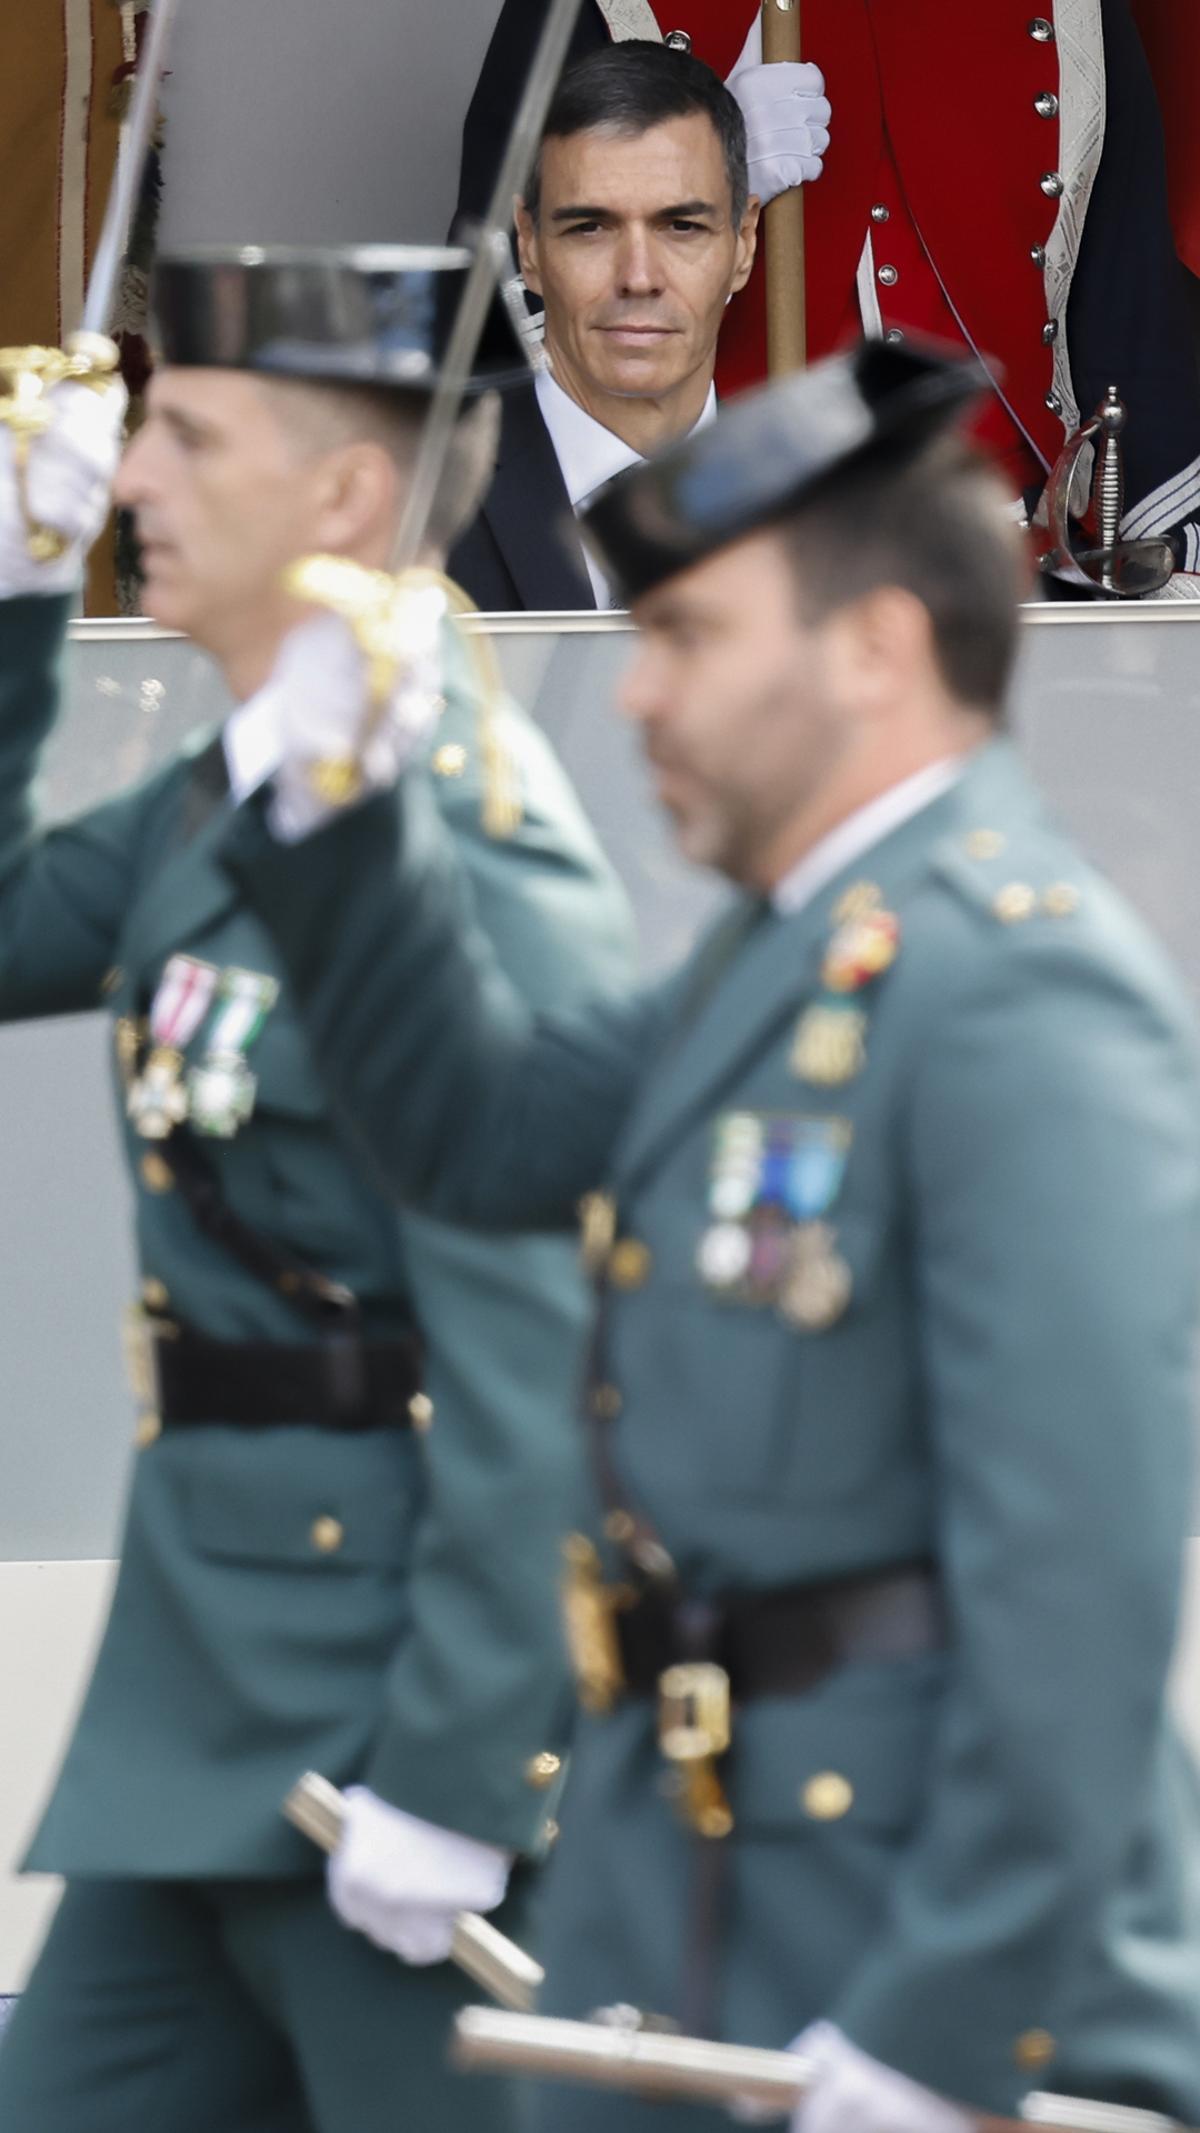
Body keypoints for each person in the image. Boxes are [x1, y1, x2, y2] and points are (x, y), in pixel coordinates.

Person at [224, 339, 1200, 2131]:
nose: (641, 694)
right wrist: (343, 810)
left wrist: (947, 2023)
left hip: (898, 1951)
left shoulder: (1015, 988)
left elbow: (1082, 1579)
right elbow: (477, 1134)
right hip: (679, 1895)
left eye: (688, 637)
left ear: (876, 647)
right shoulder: (783, 949)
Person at [0, 245, 635, 2133]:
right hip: (207, 1711)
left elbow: (540, 1358)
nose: (133, 476)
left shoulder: (466, 847)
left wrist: (462, 1771)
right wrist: (18, 603)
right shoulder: (241, 790)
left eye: (191, 438)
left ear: (350, 494)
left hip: (386, 1736)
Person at [457, 1, 1200, 583]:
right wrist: (702, 180)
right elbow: (497, 308)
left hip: (1000, 577)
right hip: (714, 568)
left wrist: (1152, 583)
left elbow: (1129, 313)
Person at [448, 41, 762, 611]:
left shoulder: (834, 518)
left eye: (682, 227)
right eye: (590, 228)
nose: (638, 278)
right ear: (529, 246)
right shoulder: (411, 501)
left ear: (744, 244)